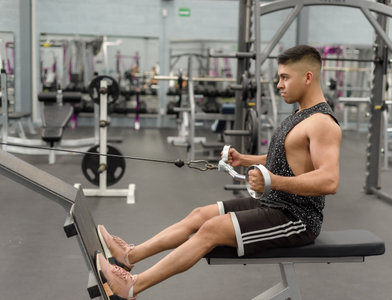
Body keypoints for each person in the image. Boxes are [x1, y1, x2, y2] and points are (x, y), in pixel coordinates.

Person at [96, 44, 342, 299]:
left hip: (296, 219)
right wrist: (245, 160)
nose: (279, 84)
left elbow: (329, 180)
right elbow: (286, 158)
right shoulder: (300, 113)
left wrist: (273, 181)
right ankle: (129, 256)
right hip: (275, 203)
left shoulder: (322, 123)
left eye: (284, 77)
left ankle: (132, 286)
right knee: (199, 215)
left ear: (308, 77)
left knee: (212, 229)